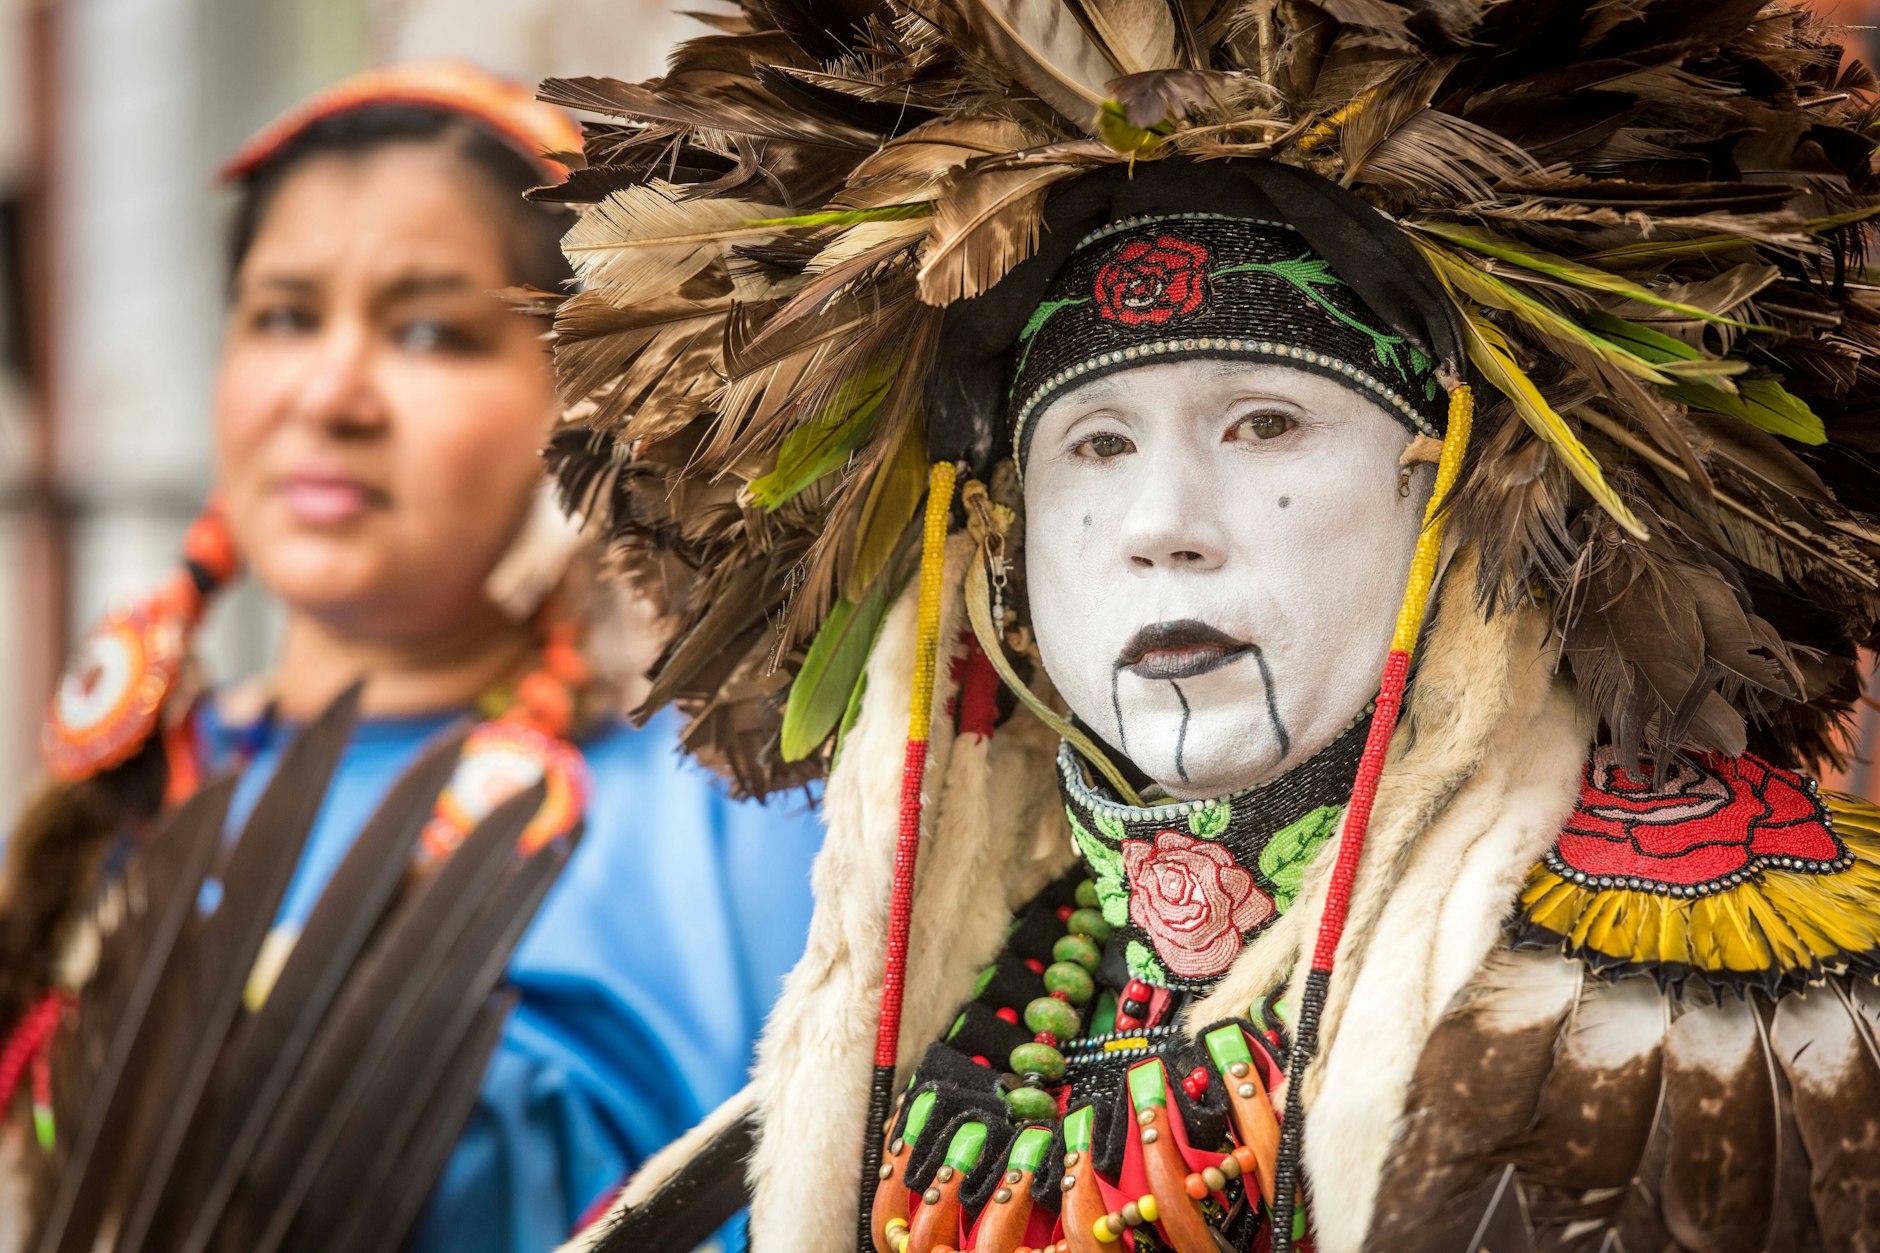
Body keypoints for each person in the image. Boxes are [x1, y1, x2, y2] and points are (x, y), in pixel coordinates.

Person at [530, 3, 1880, 1252]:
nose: (1161, 523)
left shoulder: (1706, 952)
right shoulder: (1004, 983)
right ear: (1000, 550)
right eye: (1098, 446)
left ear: (1456, 491)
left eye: (1265, 425)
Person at [0, 62, 822, 1253]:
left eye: (430, 330)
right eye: (283, 314)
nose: (331, 392)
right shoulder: (125, 799)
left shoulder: (731, 815)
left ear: (575, 398)